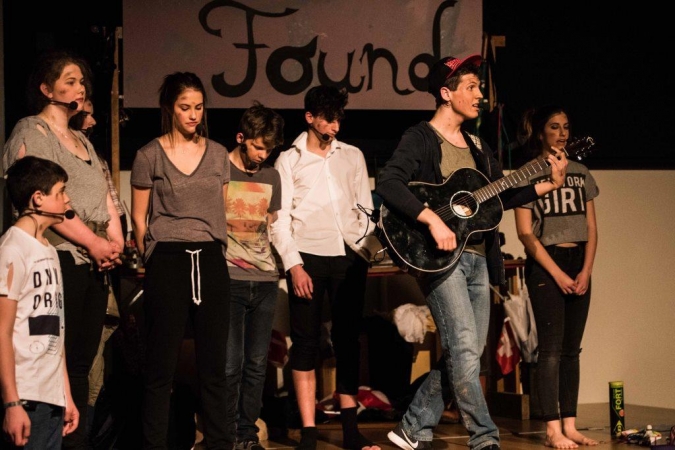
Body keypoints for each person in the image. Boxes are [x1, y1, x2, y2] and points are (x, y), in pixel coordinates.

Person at [375, 55, 568, 450]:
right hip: (440, 259)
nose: (481, 95)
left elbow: (500, 195)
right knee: (463, 348)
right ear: (446, 94)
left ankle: (412, 428)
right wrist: (432, 219)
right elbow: (389, 182)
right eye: (472, 87)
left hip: (479, 257)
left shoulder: (478, 146)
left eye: (480, 87)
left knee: (467, 354)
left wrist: (548, 184)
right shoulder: (421, 137)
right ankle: (484, 437)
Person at [2, 49, 124, 450]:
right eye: (69, 81)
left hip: (95, 259)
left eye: (81, 82)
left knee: (83, 363)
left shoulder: (82, 139)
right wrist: (93, 242)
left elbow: (104, 195)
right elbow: (40, 195)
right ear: (46, 89)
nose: (79, 88)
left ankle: (76, 441)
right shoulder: (32, 131)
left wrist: (113, 240)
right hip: (60, 256)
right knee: (59, 354)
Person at [270, 85, 380, 450]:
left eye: (338, 120)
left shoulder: (352, 155)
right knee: (305, 343)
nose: (335, 127)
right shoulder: (289, 160)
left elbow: (366, 210)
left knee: (348, 341)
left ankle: (350, 431)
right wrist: (293, 265)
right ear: (310, 117)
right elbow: (279, 219)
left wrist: (365, 252)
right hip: (307, 257)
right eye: (328, 120)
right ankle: (308, 432)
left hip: (349, 256)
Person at [130, 71, 232, 449]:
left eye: (199, 107)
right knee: (161, 367)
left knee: (214, 366)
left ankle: (220, 443)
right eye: (185, 107)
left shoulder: (218, 154)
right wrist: (151, 255)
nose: (193, 115)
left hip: (209, 259)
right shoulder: (149, 155)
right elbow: (139, 216)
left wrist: (217, 249)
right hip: (168, 259)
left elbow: (221, 209)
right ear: (170, 108)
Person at [514, 105, 599, 449]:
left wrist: (586, 270)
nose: (562, 133)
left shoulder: (580, 172)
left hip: (578, 263)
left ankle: (570, 425)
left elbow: (591, 227)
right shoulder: (528, 173)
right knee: (549, 350)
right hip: (547, 263)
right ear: (540, 132)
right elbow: (524, 233)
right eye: (554, 127)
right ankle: (552, 429)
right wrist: (557, 274)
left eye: (566, 127)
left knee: (571, 351)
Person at [0, 156, 79, 449]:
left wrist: (65, 394)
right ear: (38, 198)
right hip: (25, 396)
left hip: (50, 396)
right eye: (60, 191)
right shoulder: (13, 248)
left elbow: (55, 331)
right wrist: (12, 403)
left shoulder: (48, 250)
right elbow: (2, 331)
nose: (67, 198)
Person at [224, 101, 285, 450]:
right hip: (229, 277)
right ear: (241, 138)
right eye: (258, 147)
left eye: (268, 149)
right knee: (230, 363)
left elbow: (271, 224)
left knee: (258, 363)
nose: (262, 155)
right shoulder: (220, 168)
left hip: (265, 279)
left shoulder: (271, 176)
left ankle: (246, 434)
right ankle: (225, 433)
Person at [69, 98, 125, 441]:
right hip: (71, 260)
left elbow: (113, 208)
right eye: (86, 114)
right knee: (74, 359)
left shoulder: (94, 157)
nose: (91, 122)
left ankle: (86, 436)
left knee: (94, 360)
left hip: (100, 265)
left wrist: (115, 243)